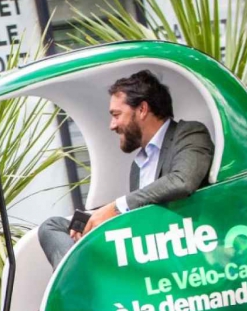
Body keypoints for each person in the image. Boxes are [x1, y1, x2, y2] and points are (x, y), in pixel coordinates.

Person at [37, 70, 215, 268]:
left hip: (177, 247)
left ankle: (78, 291)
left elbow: (182, 181)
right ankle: (75, 286)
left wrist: (115, 208)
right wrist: (98, 220)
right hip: (142, 245)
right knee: (53, 227)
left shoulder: (189, 133)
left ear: (142, 110)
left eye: (116, 115)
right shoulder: (138, 165)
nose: (112, 125)